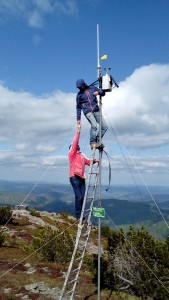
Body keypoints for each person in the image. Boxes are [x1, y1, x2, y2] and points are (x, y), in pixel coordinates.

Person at [68, 125, 98, 220]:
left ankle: (81, 215)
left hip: (82, 178)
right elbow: (75, 142)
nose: (77, 146)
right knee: (79, 197)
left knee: (83, 198)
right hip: (74, 178)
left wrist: (95, 161)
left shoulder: (81, 155)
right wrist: (78, 131)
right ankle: (78, 216)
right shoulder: (72, 154)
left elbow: (88, 162)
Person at [76, 79, 108, 149]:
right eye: (78, 88)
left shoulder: (93, 88)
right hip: (87, 112)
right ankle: (92, 142)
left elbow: (103, 93)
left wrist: (98, 92)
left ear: (83, 85)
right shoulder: (79, 95)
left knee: (105, 127)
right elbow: (78, 108)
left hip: (96, 110)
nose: (80, 88)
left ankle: (97, 140)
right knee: (94, 125)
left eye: (80, 87)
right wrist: (78, 119)